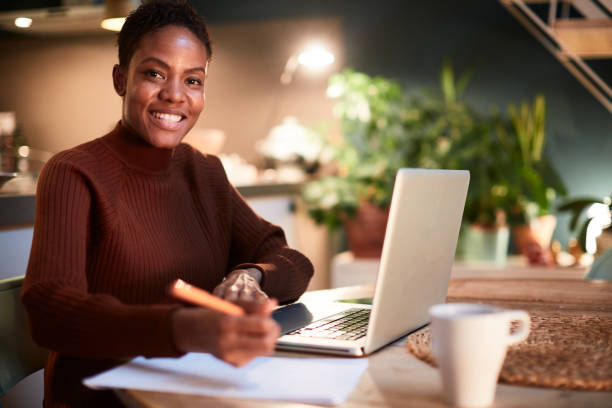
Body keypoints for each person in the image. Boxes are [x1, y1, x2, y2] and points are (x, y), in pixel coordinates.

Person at [21, 1, 314, 407]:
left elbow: (294, 262)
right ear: (121, 79)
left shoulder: (205, 172)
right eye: (155, 73)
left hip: (197, 393)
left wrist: (251, 276)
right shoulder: (73, 172)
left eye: (193, 80)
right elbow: (48, 310)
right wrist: (186, 329)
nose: (175, 95)